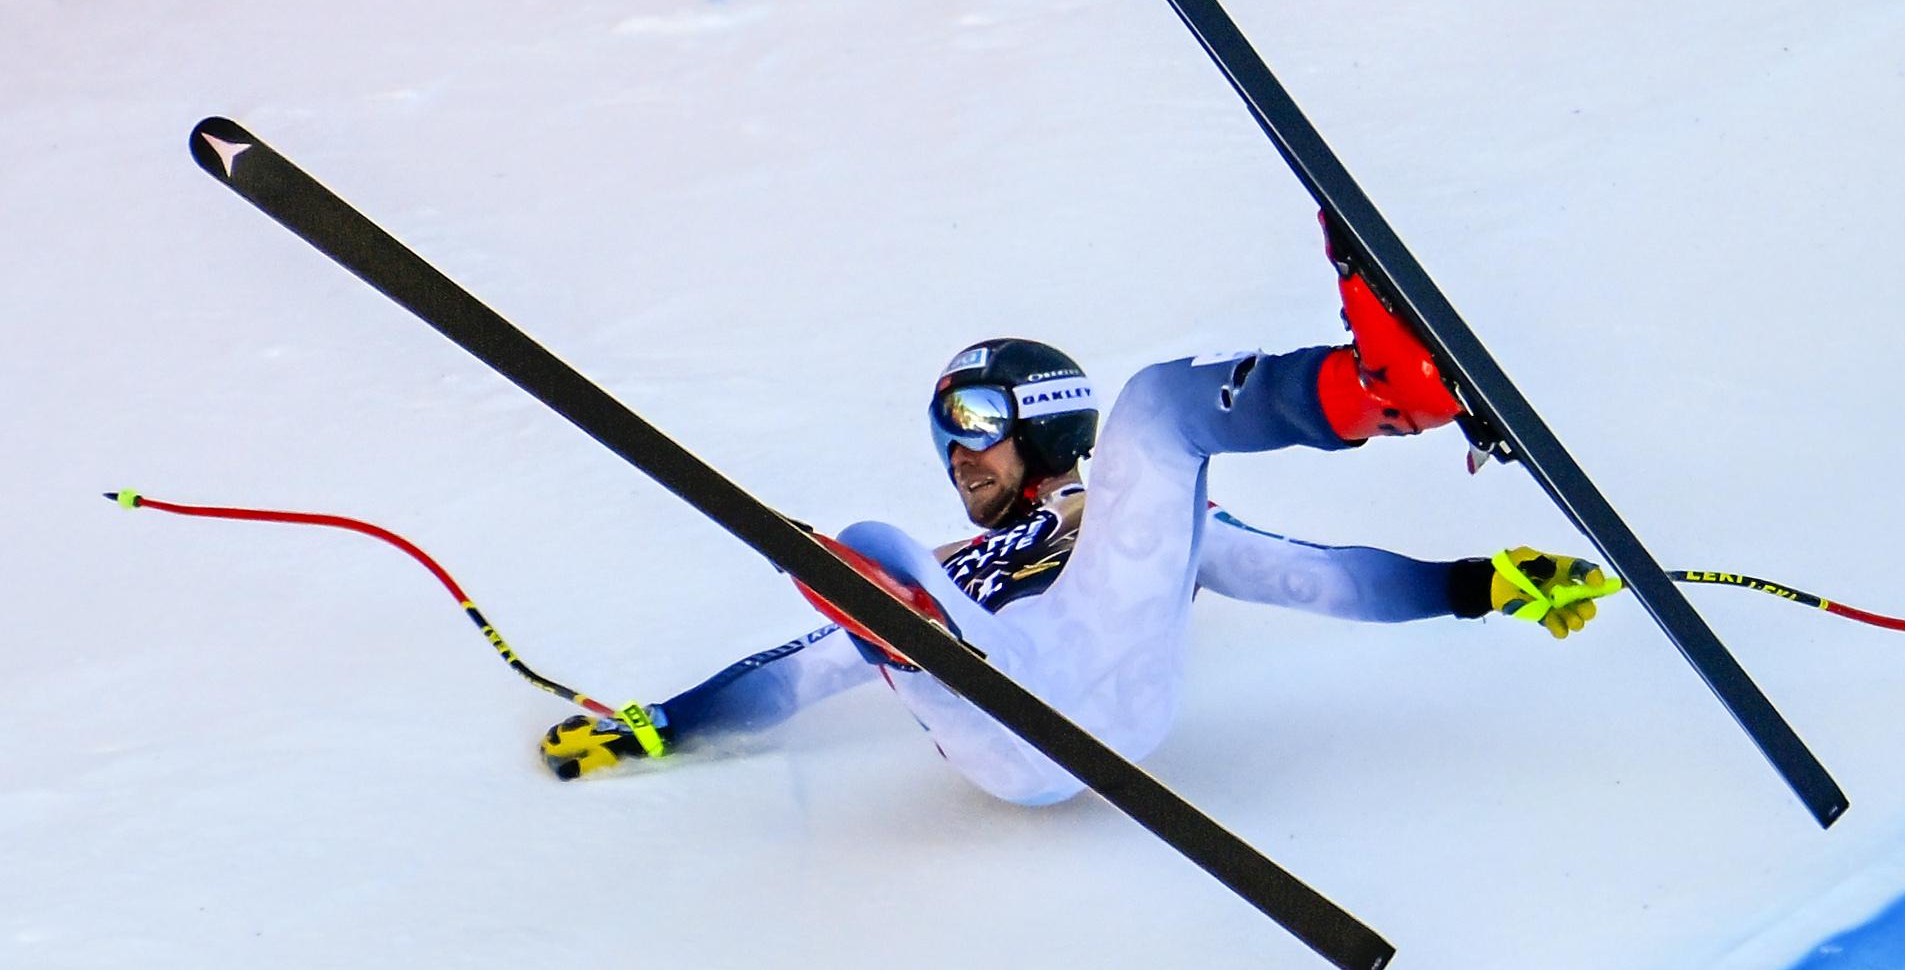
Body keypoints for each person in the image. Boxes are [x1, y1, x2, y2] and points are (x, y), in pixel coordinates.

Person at [537, 238, 1618, 794]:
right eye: (944, 433)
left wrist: (1475, 586)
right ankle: (923, 639)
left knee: (1155, 407)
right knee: (868, 548)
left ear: (1043, 420)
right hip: (1001, 724)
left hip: (1111, 666)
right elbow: (796, 672)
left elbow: (1312, 575)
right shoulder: (947, 562)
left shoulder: (1127, 525)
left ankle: (1389, 389)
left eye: (977, 423)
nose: (958, 453)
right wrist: (663, 724)